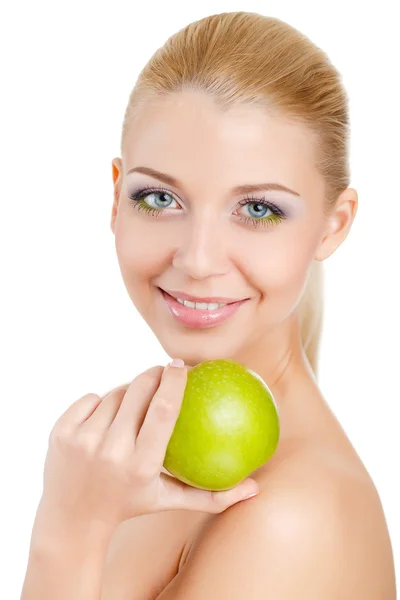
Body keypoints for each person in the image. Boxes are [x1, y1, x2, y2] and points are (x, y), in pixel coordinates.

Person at [21, 11, 396, 600]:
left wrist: (67, 534)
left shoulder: (291, 517)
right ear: (116, 197)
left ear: (334, 224)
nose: (198, 259)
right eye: (160, 197)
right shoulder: (142, 465)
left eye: (259, 210)